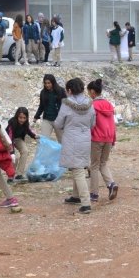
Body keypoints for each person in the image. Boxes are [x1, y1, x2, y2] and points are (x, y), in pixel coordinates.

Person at [57, 78, 96, 214]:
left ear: (69, 90)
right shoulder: (90, 103)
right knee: (77, 166)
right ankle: (76, 196)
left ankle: (86, 203)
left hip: (71, 139)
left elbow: (58, 124)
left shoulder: (66, 104)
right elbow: (92, 124)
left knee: (78, 170)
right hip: (85, 139)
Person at [87, 79, 119, 202]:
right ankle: (111, 184)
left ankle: (94, 194)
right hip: (109, 138)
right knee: (103, 163)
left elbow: (91, 124)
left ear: (93, 92)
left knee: (94, 165)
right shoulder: (109, 105)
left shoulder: (92, 106)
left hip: (96, 138)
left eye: (89, 92)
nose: (89, 94)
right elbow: (112, 123)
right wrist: (113, 139)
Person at [5, 107, 38, 184]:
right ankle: (10, 177)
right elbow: (10, 136)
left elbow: (29, 131)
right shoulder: (12, 123)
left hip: (18, 139)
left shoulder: (25, 123)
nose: (22, 120)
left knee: (25, 151)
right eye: (20, 117)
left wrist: (35, 136)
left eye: (24, 118)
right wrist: (12, 151)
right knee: (14, 158)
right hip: (8, 140)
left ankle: (19, 174)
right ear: (17, 116)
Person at [34, 74, 67, 142]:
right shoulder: (43, 92)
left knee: (62, 141)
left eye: (49, 83)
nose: (47, 85)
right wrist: (36, 116)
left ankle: (63, 153)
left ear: (53, 82)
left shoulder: (61, 91)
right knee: (44, 140)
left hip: (59, 119)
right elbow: (41, 106)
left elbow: (66, 105)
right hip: (47, 119)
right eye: (45, 83)